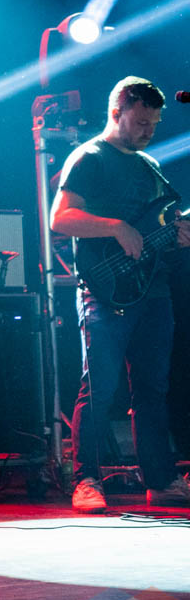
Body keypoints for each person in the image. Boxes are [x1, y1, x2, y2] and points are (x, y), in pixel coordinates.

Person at [50, 76, 190, 512]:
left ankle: (160, 481)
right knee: (100, 386)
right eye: (141, 121)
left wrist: (178, 235)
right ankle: (86, 479)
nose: (149, 131)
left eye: (154, 123)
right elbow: (60, 218)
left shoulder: (149, 165)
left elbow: (160, 227)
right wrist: (114, 227)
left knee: (152, 387)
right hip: (105, 288)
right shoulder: (89, 157)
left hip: (153, 290)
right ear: (117, 113)